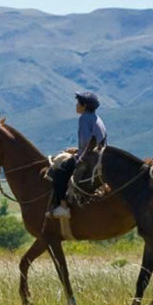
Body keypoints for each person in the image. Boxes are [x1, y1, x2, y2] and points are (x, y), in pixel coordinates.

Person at [46, 90, 107, 219]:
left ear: (84, 105)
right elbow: (94, 140)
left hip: (89, 157)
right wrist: (76, 150)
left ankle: (63, 206)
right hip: (99, 155)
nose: (76, 105)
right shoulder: (96, 118)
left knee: (60, 171)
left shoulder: (84, 118)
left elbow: (86, 142)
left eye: (78, 103)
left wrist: (78, 156)